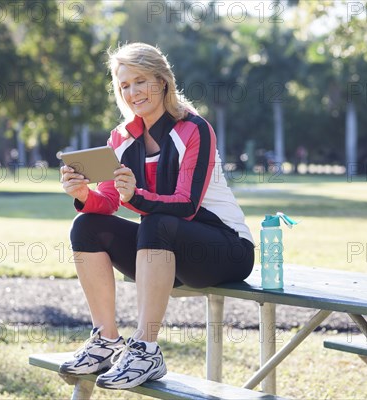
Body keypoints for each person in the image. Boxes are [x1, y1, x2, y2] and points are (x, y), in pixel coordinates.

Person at [59, 42, 254, 390]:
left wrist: (136, 195)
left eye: (140, 81)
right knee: (86, 225)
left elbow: (187, 204)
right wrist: (83, 194)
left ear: (162, 81)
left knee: (155, 221)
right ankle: (106, 340)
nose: (133, 92)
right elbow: (108, 200)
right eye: (124, 85)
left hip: (226, 249)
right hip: (166, 252)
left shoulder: (193, 129)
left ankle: (146, 350)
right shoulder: (119, 138)